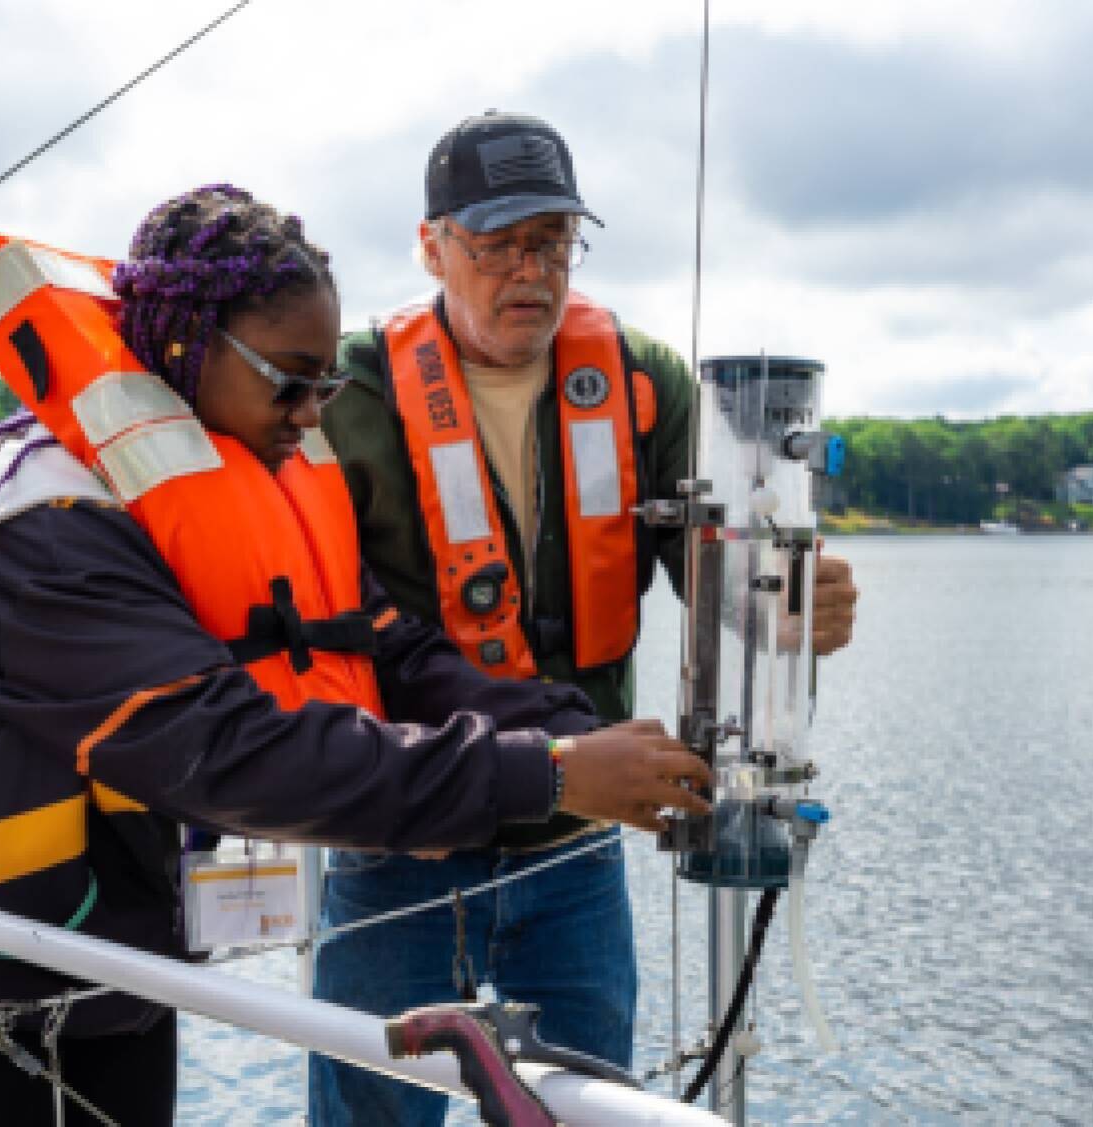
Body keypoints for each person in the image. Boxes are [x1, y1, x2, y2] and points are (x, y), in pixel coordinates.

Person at [0, 184, 713, 1127]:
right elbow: (230, 753)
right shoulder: (40, 533)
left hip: (105, 985)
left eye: (326, 387)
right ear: (185, 348)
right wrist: (548, 776)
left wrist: (596, 742)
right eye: (290, 380)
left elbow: (394, 651)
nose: (312, 417)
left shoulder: (236, 490)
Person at [310, 112, 859, 1125]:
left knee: (592, 1109)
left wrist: (791, 604)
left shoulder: (642, 377)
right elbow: (329, 620)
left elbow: (716, 580)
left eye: (552, 241)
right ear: (431, 245)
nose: (530, 270)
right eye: (498, 242)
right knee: (368, 1113)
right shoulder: (346, 388)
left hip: (574, 845)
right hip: (401, 840)